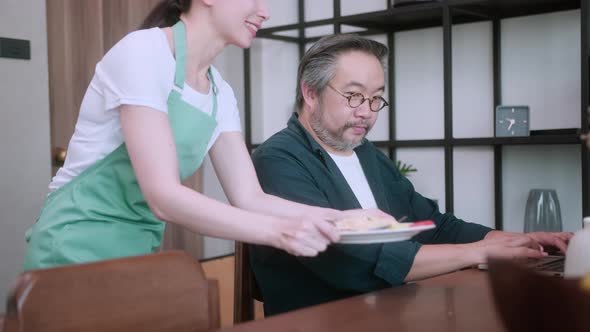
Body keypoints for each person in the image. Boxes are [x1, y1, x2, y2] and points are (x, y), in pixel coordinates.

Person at [22, 0, 389, 271]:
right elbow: (163, 196)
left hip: (135, 254)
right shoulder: (143, 52)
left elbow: (250, 197)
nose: (265, 11)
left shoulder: (219, 92)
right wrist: (280, 232)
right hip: (71, 249)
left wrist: (347, 219)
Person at [250, 34, 574, 316]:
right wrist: (478, 253)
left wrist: (517, 240)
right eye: (354, 96)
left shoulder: (366, 154)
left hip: (394, 312)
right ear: (310, 92)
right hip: (321, 322)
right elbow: (352, 263)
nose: (366, 111)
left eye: (376, 98)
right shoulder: (278, 159)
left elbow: (434, 226)